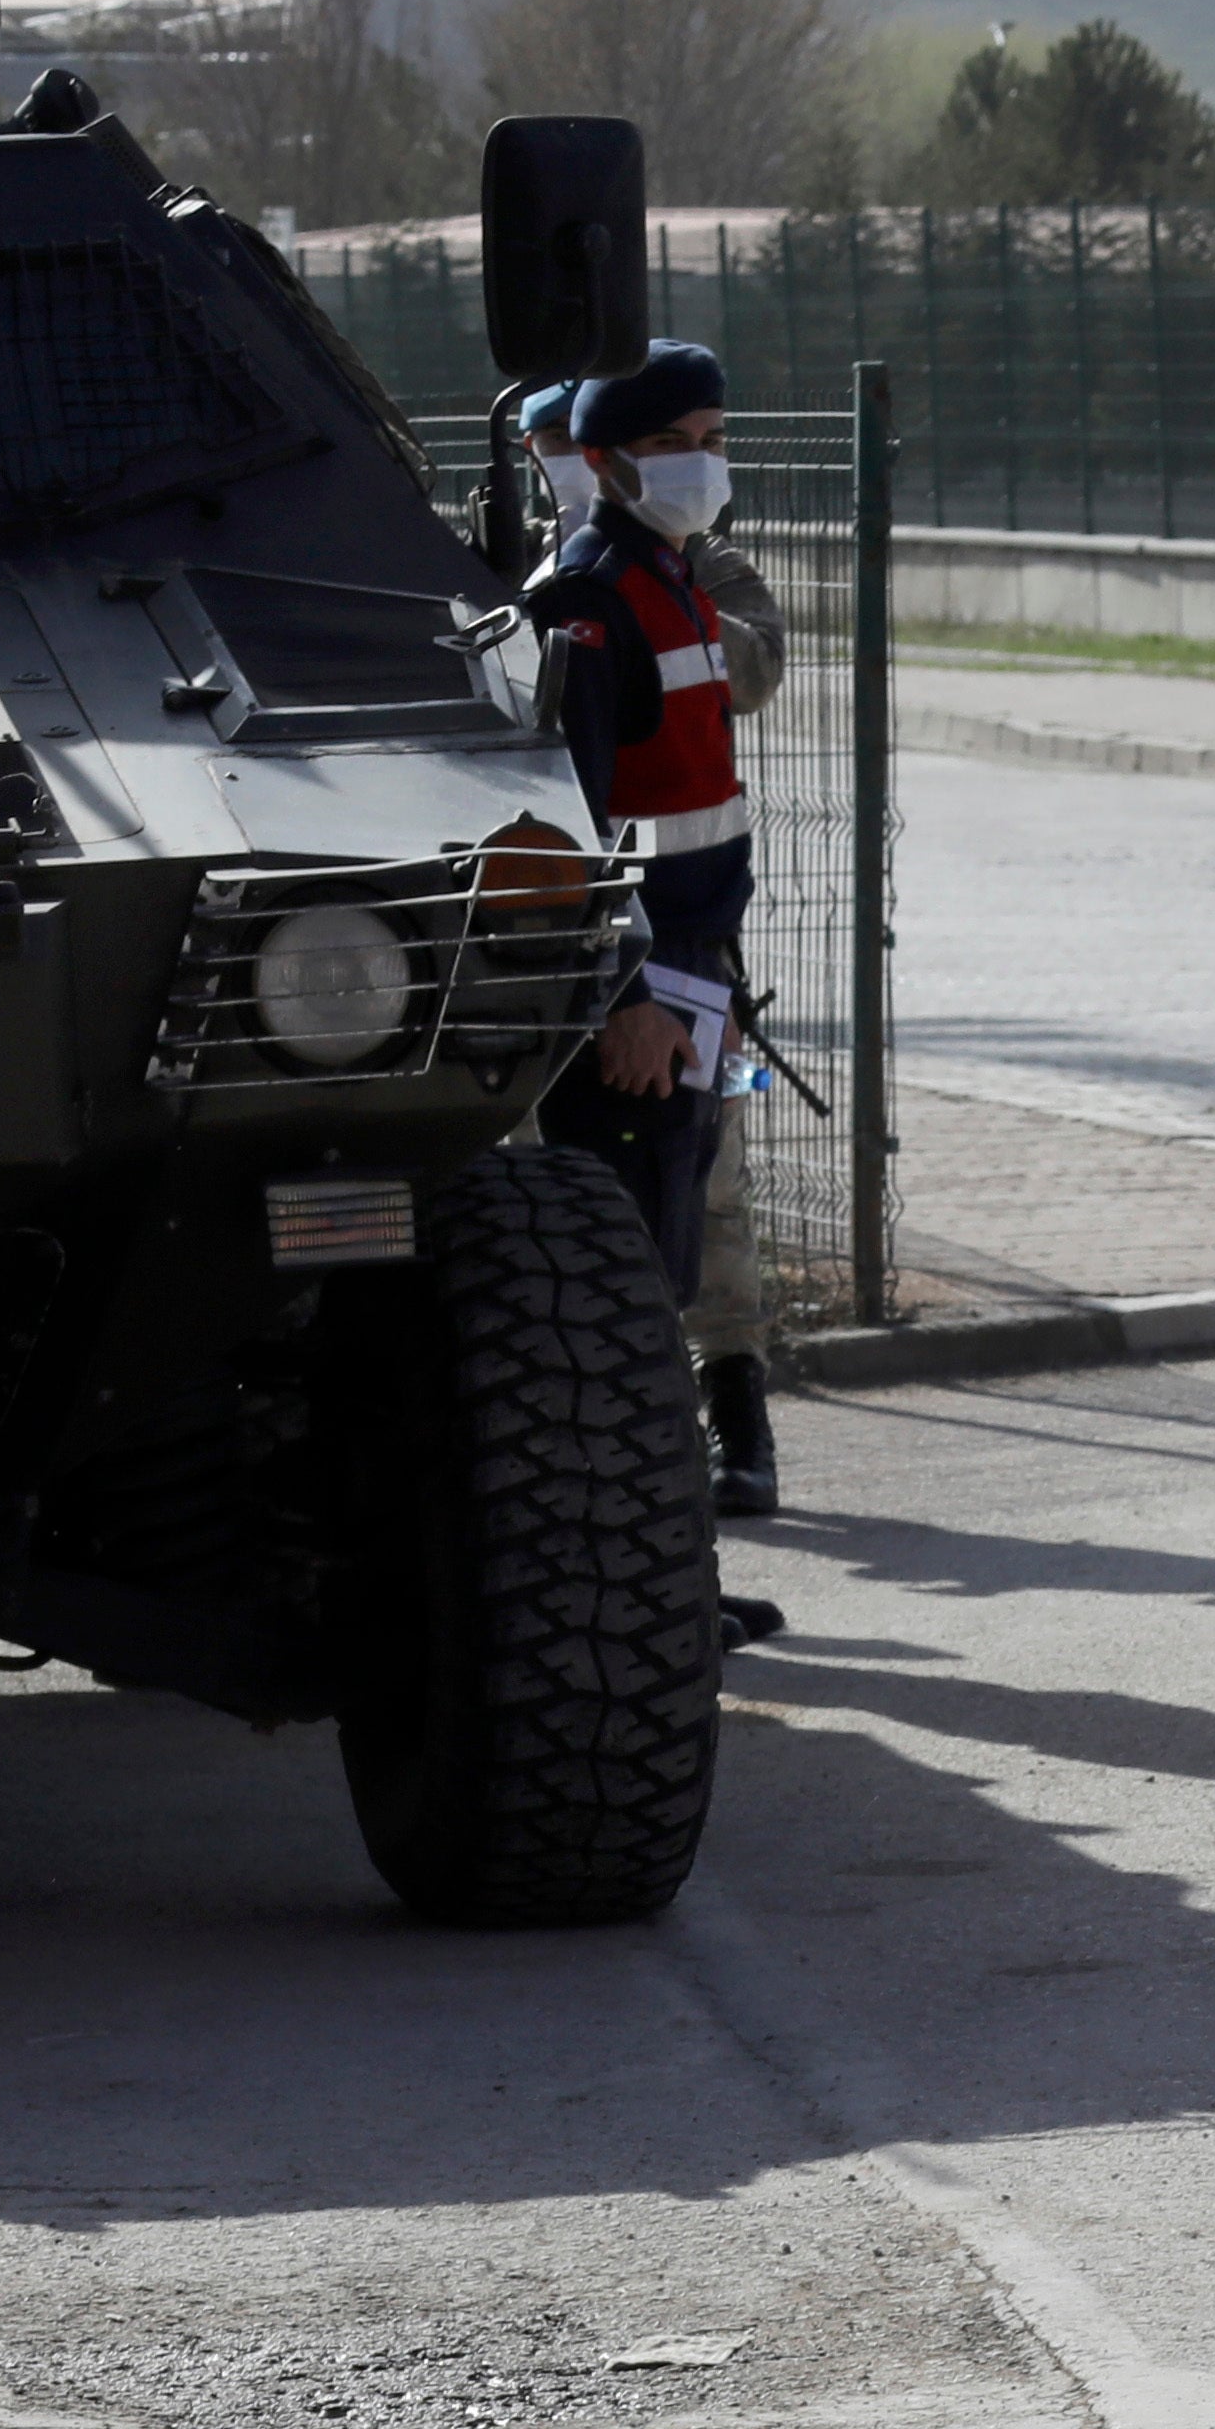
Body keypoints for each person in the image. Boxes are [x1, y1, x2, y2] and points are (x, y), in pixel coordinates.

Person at [528, 337, 781, 1645]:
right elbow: (559, 823)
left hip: (695, 987)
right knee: (626, 1299)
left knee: (668, 1270)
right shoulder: (590, 601)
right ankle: (635, 1592)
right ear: (616, 458)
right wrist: (619, 992)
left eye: (714, 433)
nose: (707, 458)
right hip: (631, 1009)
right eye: (684, 436)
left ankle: (676, 1573)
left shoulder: (677, 585)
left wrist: (708, 990)